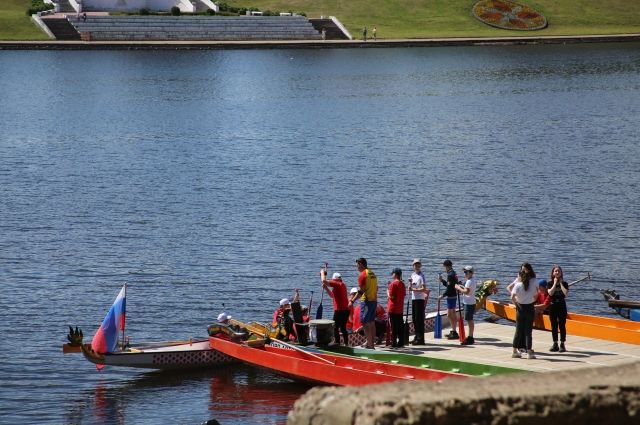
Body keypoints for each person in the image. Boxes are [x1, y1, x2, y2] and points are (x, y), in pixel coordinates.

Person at [508, 263, 538, 359]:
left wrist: (516, 303)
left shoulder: (517, 285)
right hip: (530, 308)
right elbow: (536, 296)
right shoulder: (532, 285)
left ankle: (514, 351)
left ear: (520, 276)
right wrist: (532, 301)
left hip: (520, 308)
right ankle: (529, 352)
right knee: (528, 332)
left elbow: (512, 297)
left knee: (518, 331)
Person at [349, 257, 377, 349]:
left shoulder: (362, 275)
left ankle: (370, 345)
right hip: (374, 301)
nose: (356, 267)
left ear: (361, 264)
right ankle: (372, 343)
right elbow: (377, 288)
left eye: (357, 265)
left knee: (365, 322)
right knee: (371, 322)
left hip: (367, 301)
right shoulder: (372, 273)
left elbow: (361, 291)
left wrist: (352, 301)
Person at [321, 269, 350, 345]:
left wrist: (322, 272)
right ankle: (346, 343)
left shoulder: (337, 284)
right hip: (346, 310)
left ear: (335, 279)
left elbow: (324, 281)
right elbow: (332, 296)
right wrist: (326, 288)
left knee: (335, 327)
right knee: (343, 328)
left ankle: (337, 342)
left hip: (339, 310)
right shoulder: (341, 285)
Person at [548, 265, 569, 352]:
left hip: (561, 305)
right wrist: (554, 283)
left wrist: (560, 283)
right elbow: (550, 293)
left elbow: (566, 293)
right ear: (553, 273)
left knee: (562, 324)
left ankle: (562, 344)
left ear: (561, 273)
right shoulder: (549, 283)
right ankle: (555, 343)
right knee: (554, 325)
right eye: (555, 271)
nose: (557, 272)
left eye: (558, 271)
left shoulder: (565, 283)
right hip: (553, 305)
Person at [438, 259, 459, 340]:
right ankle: (453, 331)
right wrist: (442, 280)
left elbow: (449, 289)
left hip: (451, 297)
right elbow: (449, 285)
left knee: (449, 315)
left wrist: (442, 296)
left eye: (444, 267)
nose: (444, 269)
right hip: (453, 296)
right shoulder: (453, 273)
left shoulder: (450, 274)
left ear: (447, 266)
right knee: (452, 314)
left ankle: (454, 332)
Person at [409, 258, 428, 345]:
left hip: (420, 300)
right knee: (414, 319)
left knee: (419, 319)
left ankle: (421, 339)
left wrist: (413, 289)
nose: (417, 266)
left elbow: (424, 288)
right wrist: (409, 287)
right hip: (414, 299)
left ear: (420, 266)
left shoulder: (421, 276)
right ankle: (417, 336)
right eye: (415, 265)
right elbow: (411, 286)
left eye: (418, 264)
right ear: (413, 266)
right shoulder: (412, 275)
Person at [455, 265, 477, 345]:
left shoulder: (469, 281)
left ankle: (470, 338)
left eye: (466, 272)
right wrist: (461, 287)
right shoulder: (472, 279)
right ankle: (470, 337)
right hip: (471, 302)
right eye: (464, 272)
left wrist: (458, 288)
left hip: (468, 303)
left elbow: (466, 292)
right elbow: (468, 290)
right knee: (469, 319)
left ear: (470, 273)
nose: (464, 274)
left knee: (469, 320)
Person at [387, 268, 406, 348]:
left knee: (394, 327)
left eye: (393, 273)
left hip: (393, 308)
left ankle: (393, 343)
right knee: (400, 326)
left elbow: (391, 296)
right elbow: (404, 294)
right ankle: (401, 342)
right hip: (400, 308)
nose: (392, 275)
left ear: (395, 274)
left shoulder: (393, 284)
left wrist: (387, 292)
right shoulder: (402, 284)